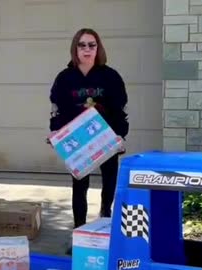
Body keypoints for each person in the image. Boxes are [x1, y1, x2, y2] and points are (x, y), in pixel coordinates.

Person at [48, 28, 129, 230]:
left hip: (106, 138)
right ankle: (79, 230)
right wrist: (55, 131)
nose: (87, 49)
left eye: (91, 45)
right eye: (82, 45)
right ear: (75, 49)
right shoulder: (65, 78)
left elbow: (120, 108)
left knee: (109, 182)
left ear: (97, 48)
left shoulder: (110, 77)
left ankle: (105, 217)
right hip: (79, 140)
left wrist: (120, 134)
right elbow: (57, 109)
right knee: (79, 186)